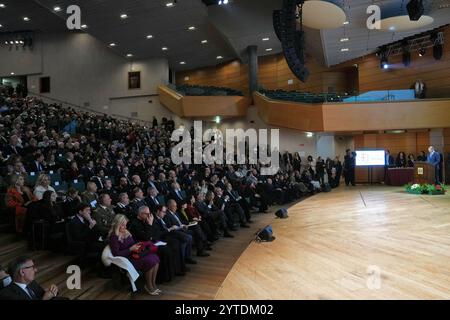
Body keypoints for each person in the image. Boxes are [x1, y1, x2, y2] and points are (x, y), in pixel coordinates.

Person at [109, 214, 161, 296]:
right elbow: (116, 253)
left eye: (125, 224)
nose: (125, 227)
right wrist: (130, 249)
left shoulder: (126, 232)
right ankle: (148, 286)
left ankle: (152, 284)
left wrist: (138, 245)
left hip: (135, 254)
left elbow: (132, 243)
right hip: (128, 258)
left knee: (155, 258)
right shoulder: (114, 236)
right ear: (117, 224)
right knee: (150, 261)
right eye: (123, 225)